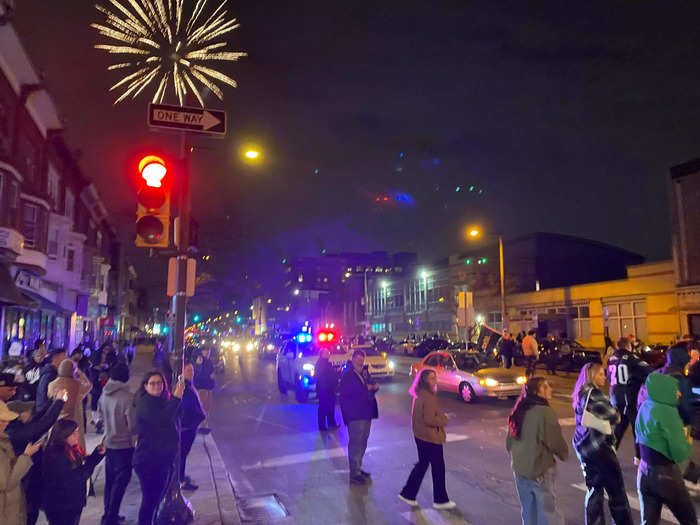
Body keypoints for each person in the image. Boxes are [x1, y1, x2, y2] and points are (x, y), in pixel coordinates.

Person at [572, 363, 633, 525]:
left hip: (584, 447)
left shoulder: (581, 392)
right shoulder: (594, 394)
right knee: (616, 491)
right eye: (600, 374)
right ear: (592, 376)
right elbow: (614, 416)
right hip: (599, 448)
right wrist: (617, 414)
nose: (604, 377)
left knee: (595, 490)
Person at [636, 373, 696, 524]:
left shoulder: (645, 406)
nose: (679, 393)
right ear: (664, 390)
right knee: (689, 520)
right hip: (666, 476)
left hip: (643, 472)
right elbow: (680, 453)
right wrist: (687, 440)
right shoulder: (668, 412)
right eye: (675, 389)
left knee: (649, 521)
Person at [506, 376, 568, 525]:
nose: (550, 389)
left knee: (528, 511)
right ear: (537, 391)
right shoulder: (544, 412)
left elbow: (509, 443)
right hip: (539, 469)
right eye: (546, 387)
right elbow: (554, 441)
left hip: (520, 469)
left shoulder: (519, 409)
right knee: (548, 513)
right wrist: (563, 453)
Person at [132, 371, 184, 525]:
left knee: (155, 502)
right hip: (149, 461)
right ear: (145, 386)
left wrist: (176, 399)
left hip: (163, 460)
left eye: (159, 383)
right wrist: (176, 398)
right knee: (150, 502)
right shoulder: (145, 403)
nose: (156, 386)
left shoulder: (162, 400)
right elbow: (163, 420)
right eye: (152, 383)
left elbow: (176, 416)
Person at [398, 369, 455, 509]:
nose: (435, 380)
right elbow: (429, 419)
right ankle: (440, 500)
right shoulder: (428, 397)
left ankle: (408, 493)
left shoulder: (420, 394)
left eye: (435, 377)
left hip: (422, 436)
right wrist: (444, 419)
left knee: (423, 464)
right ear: (425, 381)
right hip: (430, 437)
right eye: (431, 378)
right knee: (438, 468)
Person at [41, 418, 106, 525]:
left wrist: (97, 454)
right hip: (61, 505)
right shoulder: (56, 454)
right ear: (64, 435)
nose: (78, 435)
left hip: (71, 502)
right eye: (74, 433)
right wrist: (91, 463)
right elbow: (76, 476)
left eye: (78, 432)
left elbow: (82, 465)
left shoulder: (71, 449)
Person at [98, 363, 134, 525]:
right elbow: (132, 425)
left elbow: (98, 417)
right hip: (123, 445)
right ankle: (111, 516)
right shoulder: (127, 397)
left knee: (110, 481)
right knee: (122, 480)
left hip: (109, 442)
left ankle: (108, 513)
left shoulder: (104, 394)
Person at [607, 337, 651, 463]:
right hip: (628, 396)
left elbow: (609, 377)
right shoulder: (630, 357)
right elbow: (647, 370)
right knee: (637, 426)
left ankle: (610, 452)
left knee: (620, 426)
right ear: (628, 347)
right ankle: (639, 456)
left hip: (615, 396)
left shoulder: (611, 359)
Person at [338, 349, 379, 485]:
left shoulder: (364, 372)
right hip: (355, 414)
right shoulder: (348, 374)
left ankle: (358, 468)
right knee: (355, 443)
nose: (361, 361)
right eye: (358, 359)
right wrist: (367, 388)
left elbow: (372, 385)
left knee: (363, 442)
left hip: (366, 412)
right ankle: (354, 473)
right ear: (353, 359)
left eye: (362, 359)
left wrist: (372, 387)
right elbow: (350, 392)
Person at [0, 400, 42, 525]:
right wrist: (26, 457)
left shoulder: (4, 440)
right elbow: (7, 482)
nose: (6, 423)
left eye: (7, 419)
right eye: (2, 420)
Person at [47, 359, 92, 449]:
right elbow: (89, 385)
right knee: (74, 447)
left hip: (57, 419)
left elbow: (49, 397)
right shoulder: (77, 384)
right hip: (74, 419)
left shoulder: (52, 384)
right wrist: (81, 374)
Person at [180, 362, 205, 492]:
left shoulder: (189, 386)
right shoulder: (183, 388)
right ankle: (181, 481)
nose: (191, 373)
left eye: (192, 371)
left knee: (183, 454)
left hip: (189, 427)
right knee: (182, 454)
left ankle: (181, 477)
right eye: (188, 370)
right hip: (186, 428)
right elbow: (187, 408)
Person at [34, 349, 66, 414]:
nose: (67, 359)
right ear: (56, 358)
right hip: (45, 412)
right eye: (64, 356)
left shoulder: (52, 373)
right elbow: (45, 396)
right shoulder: (49, 375)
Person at [315, 347, 338, 431]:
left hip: (328, 389)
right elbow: (326, 376)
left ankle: (331, 424)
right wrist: (336, 373)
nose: (329, 354)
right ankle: (322, 426)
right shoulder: (322, 364)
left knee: (330, 407)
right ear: (322, 354)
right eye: (327, 353)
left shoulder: (326, 364)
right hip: (325, 389)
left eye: (329, 352)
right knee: (324, 407)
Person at [194, 348, 215, 434]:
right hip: (202, 387)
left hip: (208, 387)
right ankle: (200, 426)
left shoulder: (209, 361)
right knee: (202, 407)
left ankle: (204, 426)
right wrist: (209, 376)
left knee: (207, 407)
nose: (207, 352)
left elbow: (212, 373)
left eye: (208, 351)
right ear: (202, 352)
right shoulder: (200, 361)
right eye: (205, 350)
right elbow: (198, 374)